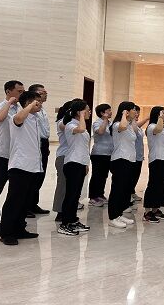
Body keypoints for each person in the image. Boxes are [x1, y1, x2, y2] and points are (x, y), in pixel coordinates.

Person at [0, 91, 43, 245]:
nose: (40, 104)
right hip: (20, 166)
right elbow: (18, 119)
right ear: (28, 103)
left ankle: (19, 229)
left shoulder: (35, 119)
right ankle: (6, 233)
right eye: (37, 101)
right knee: (14, 201)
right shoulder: (17, 117)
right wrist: (29, 106)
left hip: (33, 166)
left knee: (24, 201)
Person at [0, 80, 25, 232]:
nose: (22, 94)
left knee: (15, 190)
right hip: (0, 154)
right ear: (9, 92)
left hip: (15, 155)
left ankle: (12, 219)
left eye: (23, 91)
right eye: (19, 91)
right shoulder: (0, 106)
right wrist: (9, 103)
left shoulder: (20, 108)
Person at [58, 100, 91, 236]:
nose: (89, 112)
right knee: (70, 195)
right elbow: (81, 129)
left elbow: (83, 146)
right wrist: (81, 116)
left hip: (80, 163)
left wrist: (86, 164)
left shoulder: (79, 124)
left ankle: (73, 220)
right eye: (87, 110)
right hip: (72, 163)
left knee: (76, 195)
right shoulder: (70, 125)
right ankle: (64, 224)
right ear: (79, 112)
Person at [107, 102, 137, 229]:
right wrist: (124, 114)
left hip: (129, 160)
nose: (136, 112)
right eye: (133, 109)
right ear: (126, 111)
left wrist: (131, 118)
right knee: (117, 190)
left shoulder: (128, 125)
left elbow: (135, 131)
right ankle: (113, 217)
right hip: (120, 160)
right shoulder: (117, 125)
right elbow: (122, 126)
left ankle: (119, 214)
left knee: (124, 190)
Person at [143, 106, 164, 223]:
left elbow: (163, 127)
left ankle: (155, 209)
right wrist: (161, 117)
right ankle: (147, 212)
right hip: (157, 159)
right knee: (153, 185)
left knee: (160, 185)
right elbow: (159, 128)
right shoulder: (152, 127)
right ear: (158, 115)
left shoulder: (162, 128)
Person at [27, 84, 50, 216]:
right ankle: (26, 206)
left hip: (44, 143)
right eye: (42, 92)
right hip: (36, 143)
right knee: (33, 176)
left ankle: (33, 203)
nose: (45, 94)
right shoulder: (30, 110)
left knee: (41, 174)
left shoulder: (42, 109)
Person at [52, 100, 75, 222]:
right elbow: (64, 126)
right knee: (62, 185)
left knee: (70, 186)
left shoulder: (75, 123)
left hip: (73, 157)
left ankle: (68, 209)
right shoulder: (63, 122)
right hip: (63, 157)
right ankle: (59, 211)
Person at [88, 103, 114, 207]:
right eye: (108, 110)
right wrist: (105, 120)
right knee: (97, 175)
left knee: (104, 175)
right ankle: (93, 197)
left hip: (109, 153)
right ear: (102, 113)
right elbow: (100, 132)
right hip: (99, 153)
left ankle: (100, 194)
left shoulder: (111, 123)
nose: (111, 112)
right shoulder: (97, 122)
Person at [131, 105, 149, 204]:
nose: (137, 114)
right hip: (131, 156)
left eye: (138, 112)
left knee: (135, 176)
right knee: (131, 176)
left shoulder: (137, 126)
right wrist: (146, 119)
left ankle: (132, 191)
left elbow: (137, 127)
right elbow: (134, 129)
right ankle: (128, 194)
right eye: (135, 112)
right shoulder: (129, 125)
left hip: (139, 155)